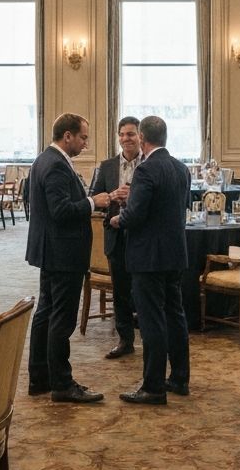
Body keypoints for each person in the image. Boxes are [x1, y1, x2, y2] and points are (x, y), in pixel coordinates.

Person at [26, 114, 111, 404]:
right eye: (83, 137)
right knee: (61, 320)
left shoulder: (45, 160)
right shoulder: (56, 165)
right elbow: (60, 211)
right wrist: (92, 202)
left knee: (45, 314)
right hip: (63, 253)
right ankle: (61, 384)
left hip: (53, 250)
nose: (86, 143)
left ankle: (40, 378)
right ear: (67, 136)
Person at [110, 115, 192, 405]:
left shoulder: (145, 170)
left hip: (147, 257)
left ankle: (153, 386)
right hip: (175, 253)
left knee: (151, 320)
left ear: (143, 139)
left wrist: (119, 218)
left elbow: (137, 215)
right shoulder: (182, 168)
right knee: (175, 315)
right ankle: (180, 378)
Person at [89, 116, 142, 359]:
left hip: (142, 236)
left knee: (143, 290)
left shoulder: (149, 163)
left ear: (140, 136)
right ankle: (125, 340)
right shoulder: (107, 166)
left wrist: (135, 196)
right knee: (120, 291)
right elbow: (94, 198)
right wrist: (112, 196)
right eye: (121, 134)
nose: (125, 139)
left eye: (130, 134)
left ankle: (149, 337)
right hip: (116, 235)